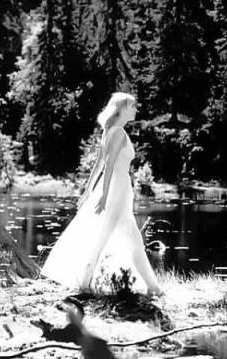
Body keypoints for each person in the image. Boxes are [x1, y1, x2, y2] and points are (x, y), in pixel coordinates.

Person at [41, 92, 163, 295]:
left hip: (118, 186)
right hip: (117, 187)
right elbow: (107, 165)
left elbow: (99, 164)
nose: (135, 109)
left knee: (131, 236)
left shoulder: (110, 130)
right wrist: (103, 195)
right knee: (107, 235)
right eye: (132, 106)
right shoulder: (118, 133)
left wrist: (89, 190)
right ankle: (86, 282)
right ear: (122, 109)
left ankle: (152, 286)